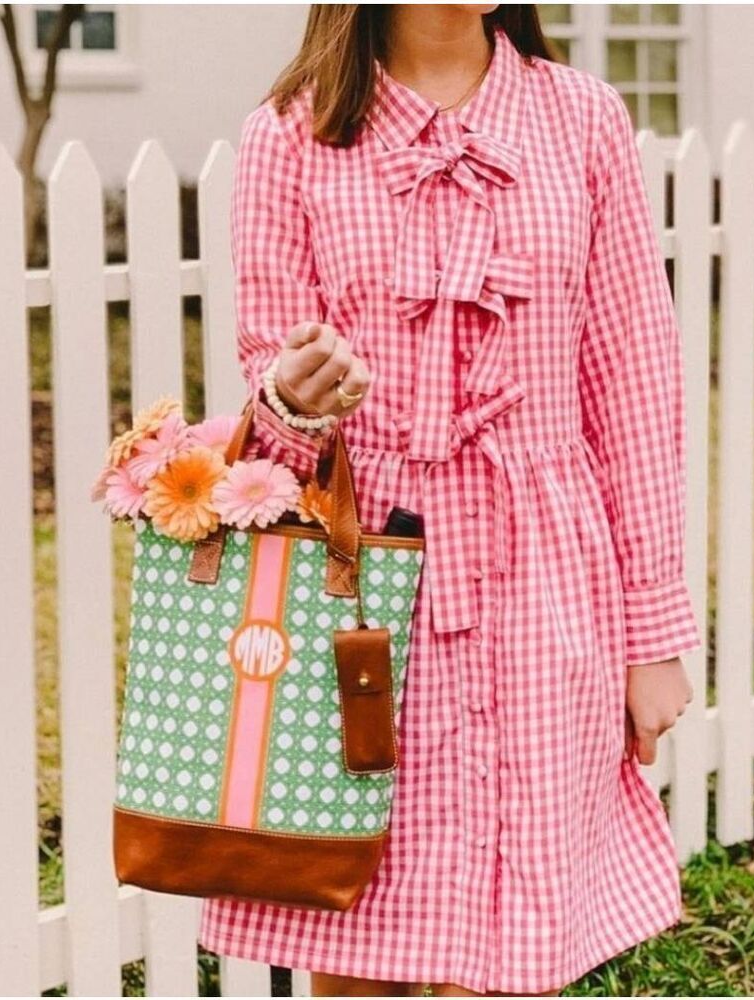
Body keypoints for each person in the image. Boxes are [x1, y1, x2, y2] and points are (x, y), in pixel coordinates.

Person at [197, 4, 702, 996]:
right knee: (356, 934)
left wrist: (652, 634)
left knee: (514, 948)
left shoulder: (582, 120)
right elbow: (271, 396)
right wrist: (295, 396)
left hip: (541, 579)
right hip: (362, 589)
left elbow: (634, 381)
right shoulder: (289, 135)